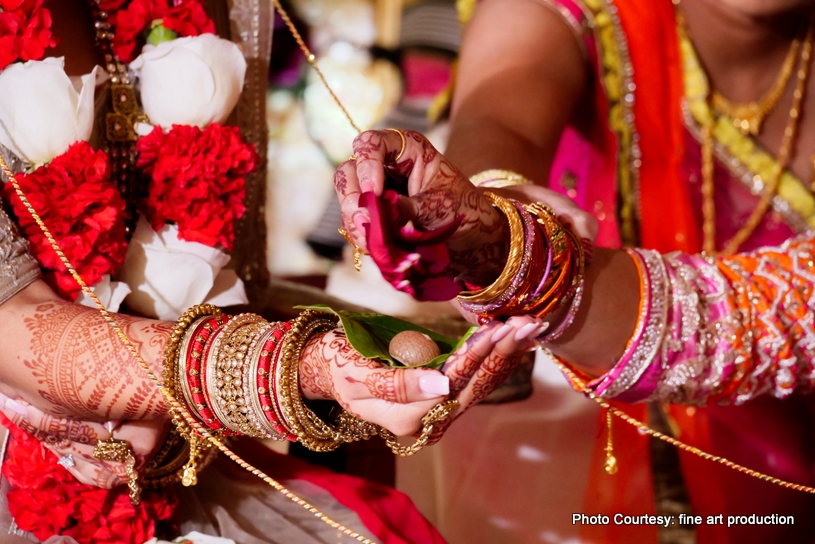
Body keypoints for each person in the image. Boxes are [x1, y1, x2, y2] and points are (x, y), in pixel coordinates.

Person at [0, 0, 537, 542]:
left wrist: (476, 252)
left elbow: (230, 280)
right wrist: (303, 373)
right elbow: (10, 328)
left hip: (186, 464)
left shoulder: (214, 9)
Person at [333, 0, 815, 542]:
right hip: (579, 473)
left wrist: (525, 263)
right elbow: (502, 114)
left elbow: (782, 315)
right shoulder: (583, 14)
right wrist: (489, 212)